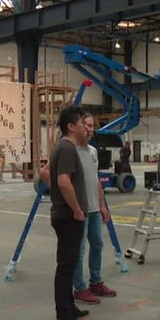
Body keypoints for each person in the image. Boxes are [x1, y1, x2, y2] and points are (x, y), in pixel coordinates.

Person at [41, 113, 118, 305]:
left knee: (98, 245)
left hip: (93, 208)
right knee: (78, 251)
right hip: (79, 210)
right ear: (76, 127)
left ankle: (95, 282)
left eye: (92, 126)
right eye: (86, 125)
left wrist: (101, 204)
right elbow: (45, 173)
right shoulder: (69, 149)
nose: (89, 129)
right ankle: (80, 287)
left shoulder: (92, 151)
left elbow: (96, 180)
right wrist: (64, 199)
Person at [48, 106, 91, 320]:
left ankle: (69, 306)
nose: (86, 127)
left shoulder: (67, 147)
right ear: (71, 126)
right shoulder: (66, 148)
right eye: (82, 123)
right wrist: (76, 209)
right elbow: (64, 182)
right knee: (66, 267)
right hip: (67, 216)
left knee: (69, 264)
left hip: (67, 215)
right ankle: (63, 316)